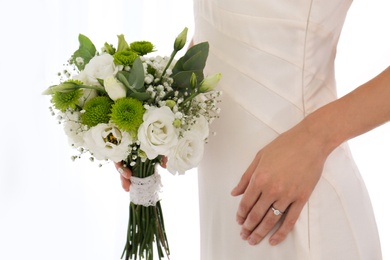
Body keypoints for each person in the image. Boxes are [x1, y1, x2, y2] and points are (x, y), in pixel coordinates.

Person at [116, 0, 388, 259]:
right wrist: (155, 114)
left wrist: (315, 137)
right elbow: (220, 31)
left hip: (298, 196)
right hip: (220, 199)